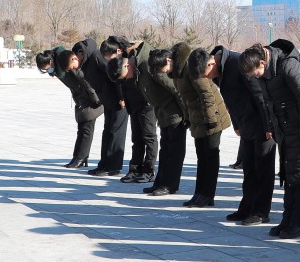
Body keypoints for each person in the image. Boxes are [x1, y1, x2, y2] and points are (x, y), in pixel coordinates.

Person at [240, 41, 300, 239]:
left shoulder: (288, 65)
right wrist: (272, 127)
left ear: (262, 63)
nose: (254, 77)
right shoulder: (267, 72)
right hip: (286, 129)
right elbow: (269, 103)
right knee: (290, 177)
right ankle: (287, 220)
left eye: (255, 72)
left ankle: (298, 224)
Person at [192, 45, 276, 225]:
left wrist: (269, 124)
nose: (208, 78)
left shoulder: (238, 62)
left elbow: (260, 95)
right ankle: (246, 208)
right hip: (246, 125)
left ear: (210, 62)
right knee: (249, 169)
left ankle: (261, 211)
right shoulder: (220, 69)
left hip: (261, 124)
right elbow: (230, 100)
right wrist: (237, 124)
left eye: (206, 74)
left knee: (263, 169)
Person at [107, 45, 187, 196]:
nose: (127, 79)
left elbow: (175, 89)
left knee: (174, 152)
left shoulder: (148, 65)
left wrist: (186, 114)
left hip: (174, 113)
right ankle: (160, 182)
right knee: (165, 151)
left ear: (127, 64)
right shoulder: (136, 68)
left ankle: (170, 185)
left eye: (126, 75)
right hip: (162, 113)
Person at [169, 42, 231, 208]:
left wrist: (211, 120)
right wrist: (188, 117)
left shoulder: (192, 69)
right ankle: (199, 193)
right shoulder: (178, 74)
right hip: (198, 118)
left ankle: (208, 195)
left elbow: (207, 95)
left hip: (212, 118)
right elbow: (186, 99)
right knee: (201, 157)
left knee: (210, 157)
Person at [56, 38, 129, 177]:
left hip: (118, 100)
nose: (74, 69)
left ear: (74, 57)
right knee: (107, 132)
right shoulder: (85, 62)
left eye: (72, 66)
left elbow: (116, 75)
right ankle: (104, 164)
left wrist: (122, 97)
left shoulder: (96, 56)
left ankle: (113, 166)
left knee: (115, 132)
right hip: (107, 100)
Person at [100, 37, 158, 184]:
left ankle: (149, 170)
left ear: (127, 67)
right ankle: (134, 169)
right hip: (134, 103)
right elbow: (121, 84)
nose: (125, 79)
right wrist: (123, 98)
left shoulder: (144, 61)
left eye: (125, 77)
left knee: (149, 137)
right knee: (136, 139)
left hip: (147, 103)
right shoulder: (122, 61)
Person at [36, 47, 103, 168]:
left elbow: (84, 79)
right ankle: (79, 156)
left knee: (86, 125)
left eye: (48, 67)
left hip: (89, 95)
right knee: (82, 126)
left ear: (51, 60)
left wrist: (95, 98)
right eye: (46, 70)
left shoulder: (64, 60)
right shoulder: (56, 67)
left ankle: (81, 157)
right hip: (80, 96)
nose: (49, 71)